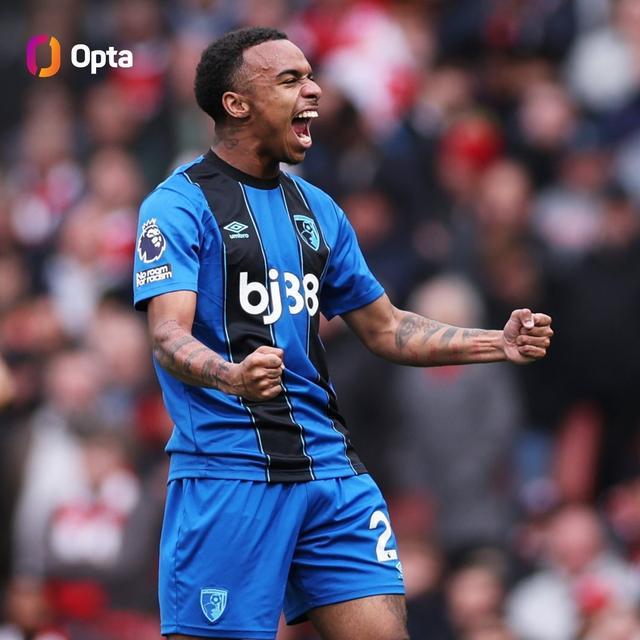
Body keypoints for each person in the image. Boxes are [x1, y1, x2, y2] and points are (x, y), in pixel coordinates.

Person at [132, 26, 553, 640]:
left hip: (330, 470)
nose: (314, 91)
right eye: (290, 80)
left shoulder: (318, 210)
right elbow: (167, 335)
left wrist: (497, 342)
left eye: (311, 77)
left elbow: (387, 327)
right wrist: (231, 375)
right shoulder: (177, 205)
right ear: (236, 104)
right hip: (229, 472)